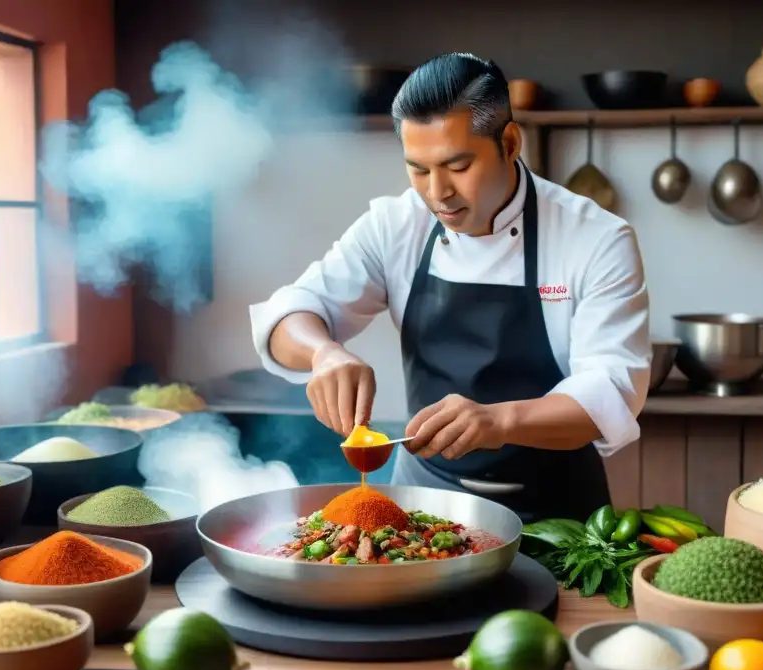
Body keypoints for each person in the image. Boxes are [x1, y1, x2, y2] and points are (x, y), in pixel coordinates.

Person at [249, 52, 651, 522]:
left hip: (557, 513)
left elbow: (611, 393)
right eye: (418, 169)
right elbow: (292, 312)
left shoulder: (596, 239)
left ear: (510, 142)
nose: (437, 192)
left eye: (457, 166)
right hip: (422, 507)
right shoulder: (395, 224)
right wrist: (324, 353)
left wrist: (497, 421)